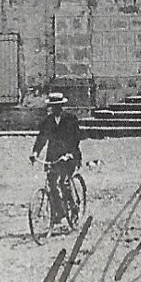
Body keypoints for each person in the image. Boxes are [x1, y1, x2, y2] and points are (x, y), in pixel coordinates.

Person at [30, 92, 83, 226]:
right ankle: (59, 212)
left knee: (64, 183)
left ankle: (73, 209)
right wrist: (35, 153)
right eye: (53, 106)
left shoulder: (71, 119)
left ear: (62, 106)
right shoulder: (47, 121)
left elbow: (75, 139)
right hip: (53, 157)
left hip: (69, 157)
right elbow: (41, 138)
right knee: (51, 184)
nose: (55, 109)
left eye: (58, 106)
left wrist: (70, 154)